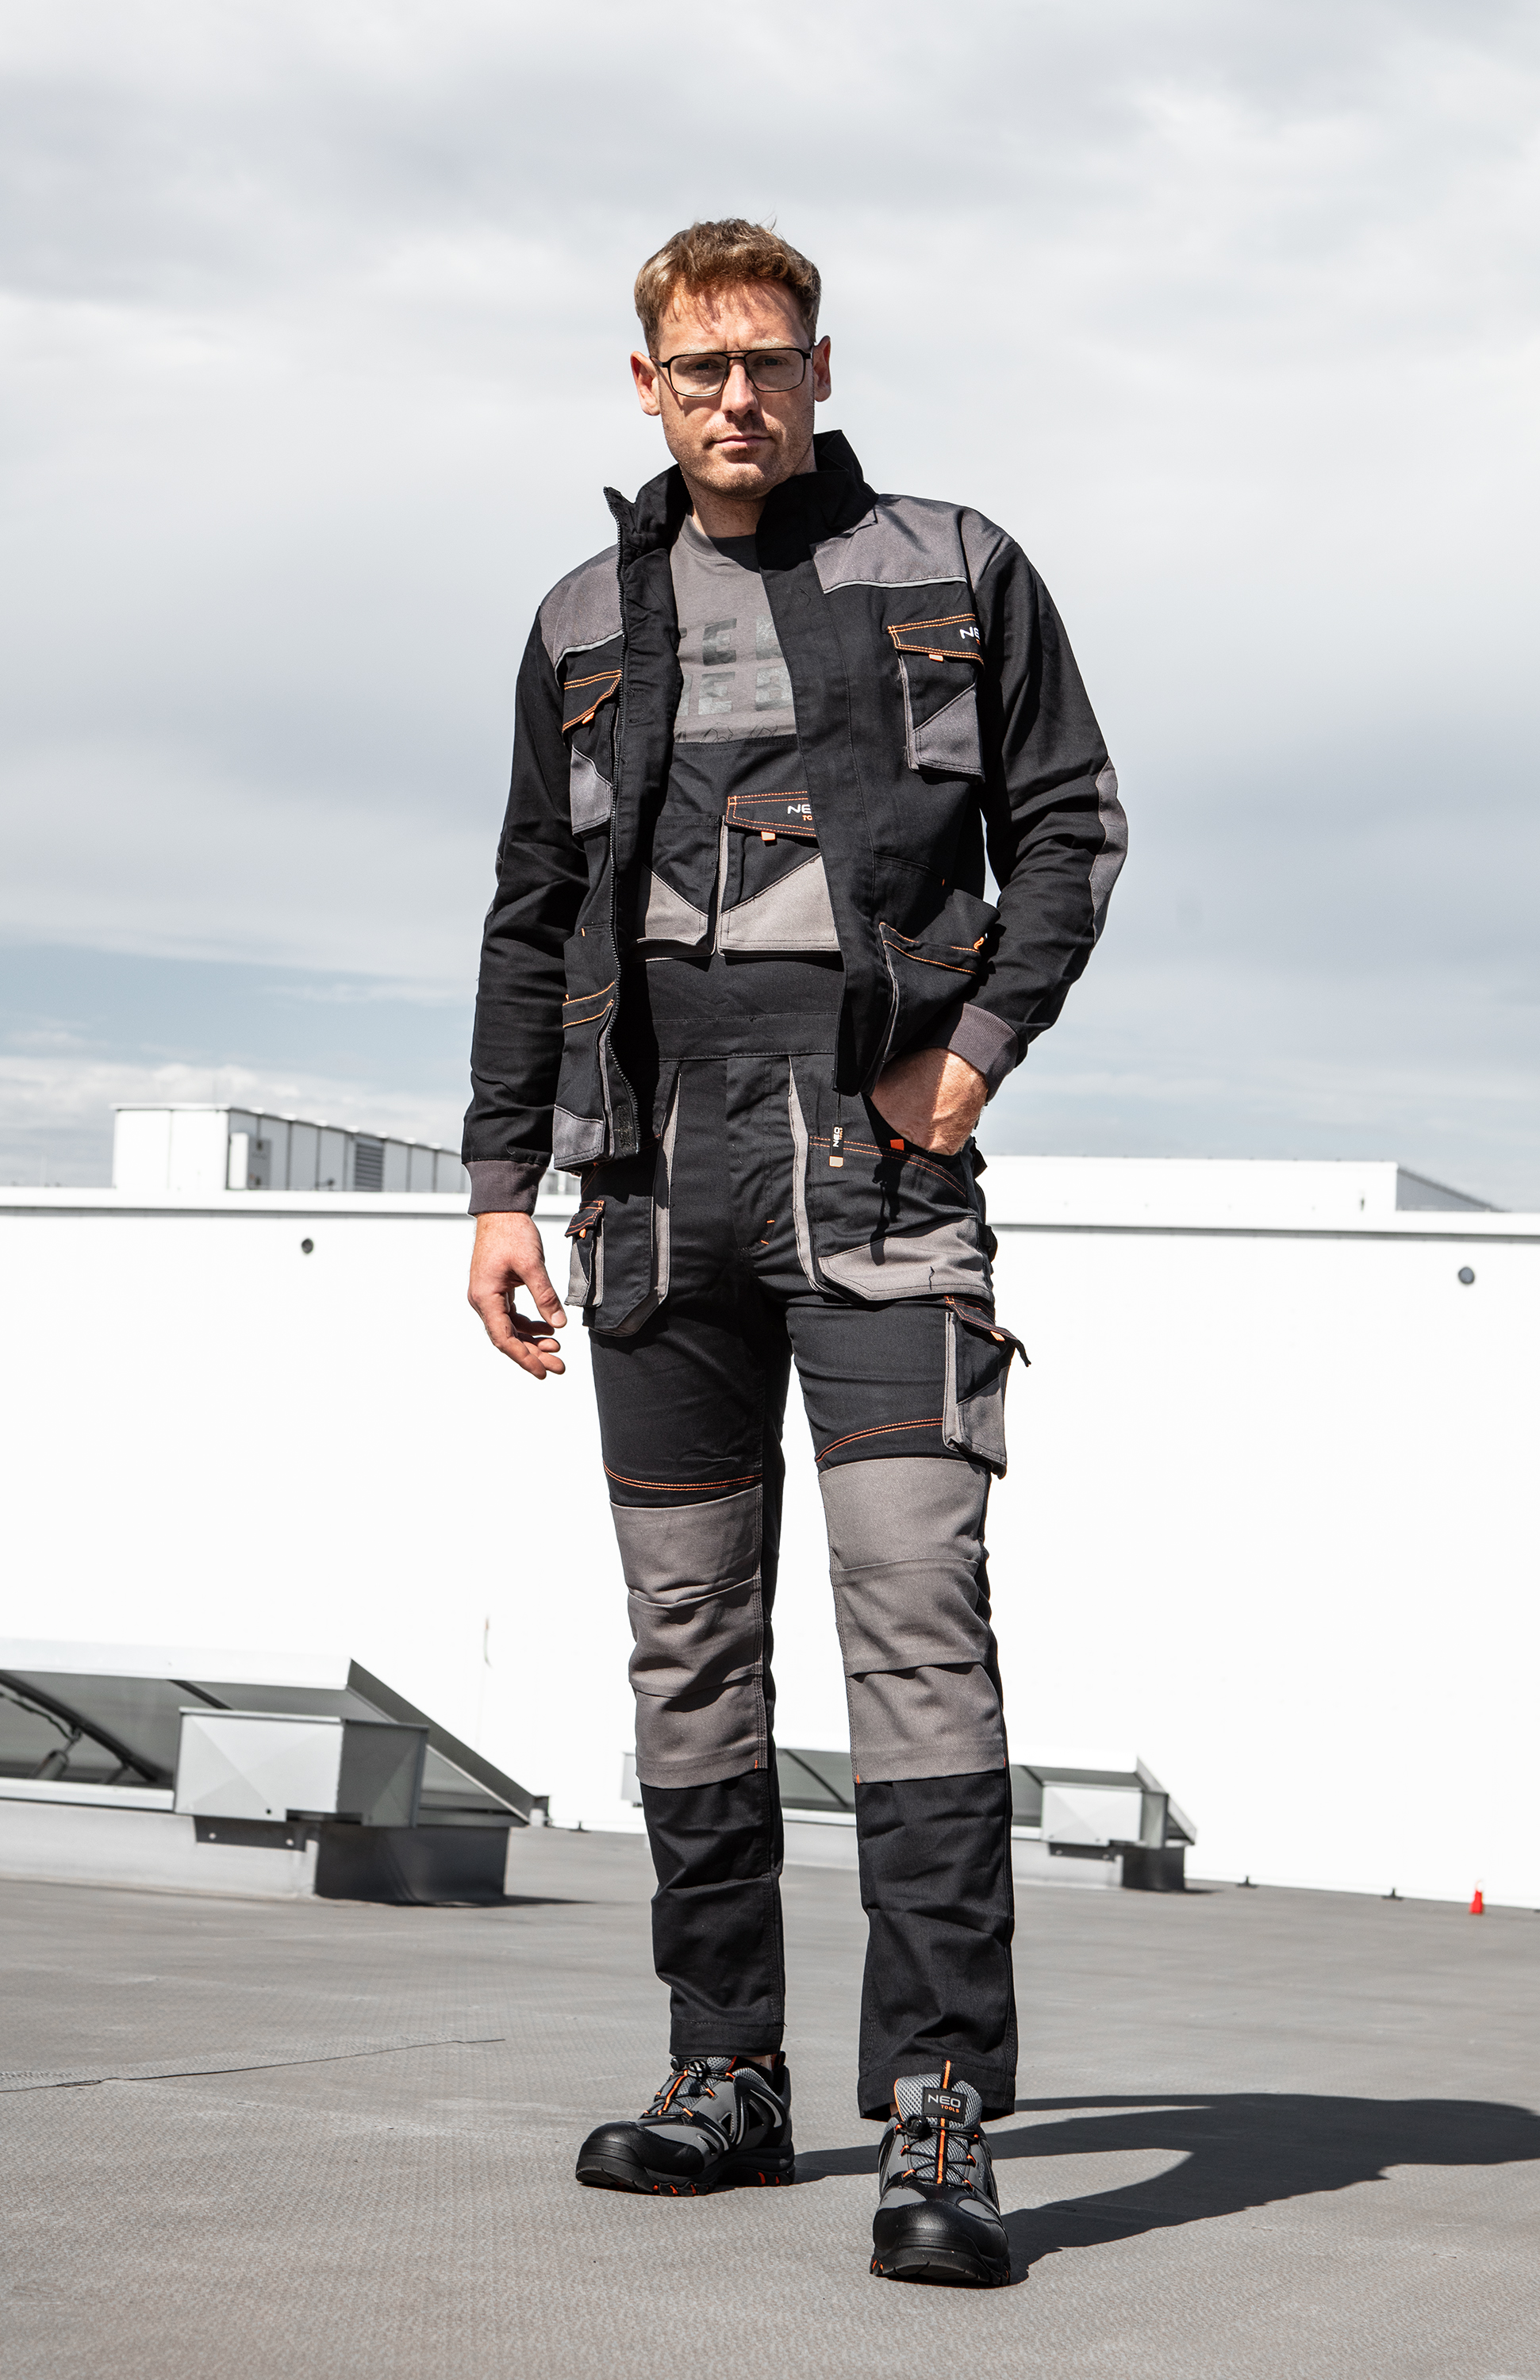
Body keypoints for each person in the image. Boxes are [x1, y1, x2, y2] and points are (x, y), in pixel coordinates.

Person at [463, 218, 1123, 2287]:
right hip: (649, 1180)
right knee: (687, 1637)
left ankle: (938, 2108)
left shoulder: (956, 566)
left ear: (823, 368)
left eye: (768, 360)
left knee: (917, 1617)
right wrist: (498, 1184)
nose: (735, 396)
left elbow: (1070, 827)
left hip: (881, 1167)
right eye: (699, 368)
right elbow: (528, 910)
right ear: (644, 386)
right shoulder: (583, 616)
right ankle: (726, 2074)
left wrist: (974, 1058)